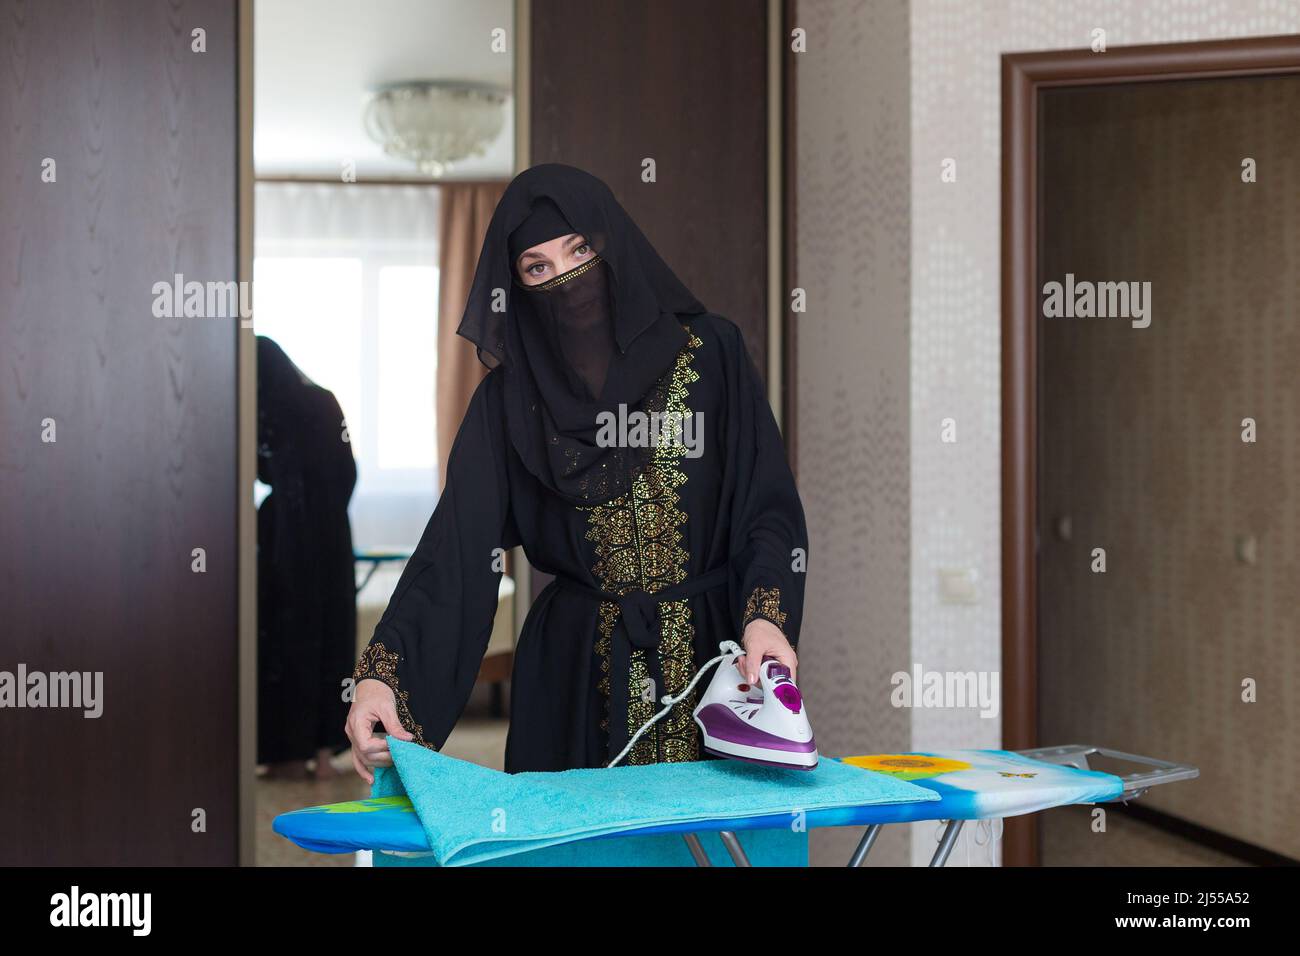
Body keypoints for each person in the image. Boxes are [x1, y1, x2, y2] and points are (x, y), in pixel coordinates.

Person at [346, 163, 807, 780]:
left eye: (580, 250)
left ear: (612, 245)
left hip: (715, 662)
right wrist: (383, 675)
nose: (567, 280)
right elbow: (457, 550)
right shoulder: (509, 403)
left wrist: (765, 617)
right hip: (571, 680)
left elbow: (765, 509)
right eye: (538, 268)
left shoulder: (712, 354)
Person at [256, 336, 358, 779]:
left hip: (288, 541)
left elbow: (262, 470)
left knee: (285, 638)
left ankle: (287, 754)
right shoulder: (322, 400)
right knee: (330, 633)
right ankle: (322, 752)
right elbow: (347, 470)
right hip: (331, 536)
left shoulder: (265, 411)